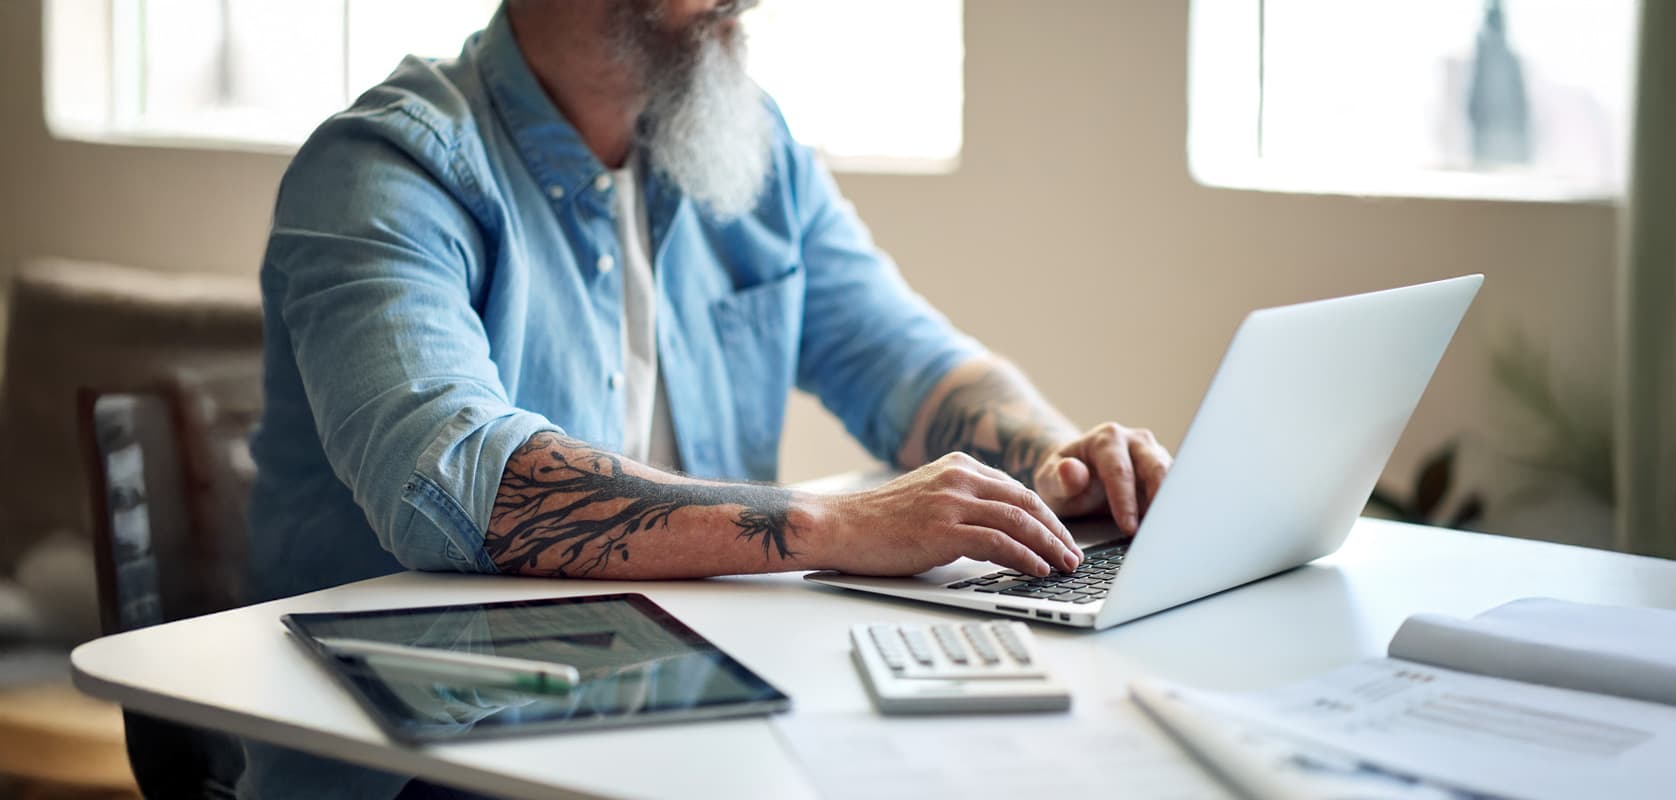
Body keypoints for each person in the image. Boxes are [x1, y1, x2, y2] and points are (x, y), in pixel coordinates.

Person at [242, 0, 1170, 795]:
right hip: (429, 763)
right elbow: (458, 482)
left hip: (693, 727)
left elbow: (913, 363)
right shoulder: (385, 170)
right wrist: (841, 525)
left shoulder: (750, 148)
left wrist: (1059, 457)